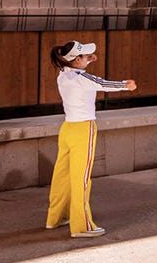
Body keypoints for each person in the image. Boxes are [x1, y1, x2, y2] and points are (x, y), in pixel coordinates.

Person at [46, 41, 136, 238]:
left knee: (62, 175)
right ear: (77, 60)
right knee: (82, 179)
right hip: (83, 129)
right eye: (86, 56)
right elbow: (102, 84)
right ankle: (82, 225)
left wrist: (86, 60)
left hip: (67, 128)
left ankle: (56, 217)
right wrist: (125, 85)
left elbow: (80, 72)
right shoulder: (81, 77)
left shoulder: (63, 74)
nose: (90, 57)